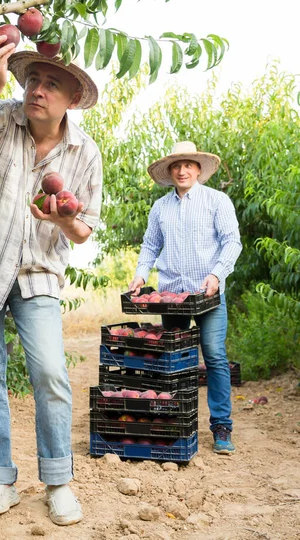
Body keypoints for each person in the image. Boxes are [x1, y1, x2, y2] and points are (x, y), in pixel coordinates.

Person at [0, 29, 102, 526]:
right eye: (33, 79)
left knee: (50, 374)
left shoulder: (85, 154)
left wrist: (61, 219)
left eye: (52, 84)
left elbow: (83, 231)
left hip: (38, 276)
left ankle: (57, 483)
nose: (38, 90)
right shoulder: (5, 118)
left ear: (72, 98)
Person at [128, 141, 242, 455]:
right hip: (173, 296)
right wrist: (141, 274)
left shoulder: (216, 201)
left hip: (208, 294)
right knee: (177, 360)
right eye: (176, 166)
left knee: (215, 355)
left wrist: (217, 274)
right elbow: (150, 246)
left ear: (198, 169)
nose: (182, 170)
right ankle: (178, 422)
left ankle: (221, 426)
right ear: (169, 172)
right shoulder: (160, 208)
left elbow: (232, 242)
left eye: (188, 165)